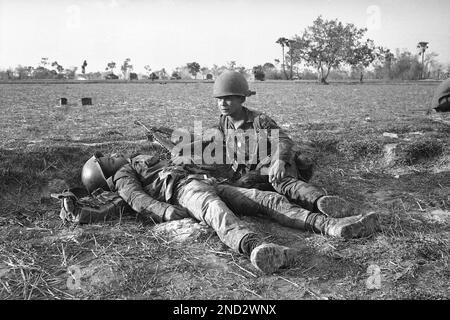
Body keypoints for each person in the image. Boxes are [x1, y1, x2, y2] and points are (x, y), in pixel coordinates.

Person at [80, 150, 379, 274]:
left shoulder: (141, 159)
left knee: (264, 199)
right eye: (104, 159)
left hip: (208, 182)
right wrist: (166, 211)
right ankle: (255, 247)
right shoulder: (123, 176)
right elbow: (136, 199)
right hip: (186, 192)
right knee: (216, 210)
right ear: (105, 172)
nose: (110, 155)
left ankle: (332, 226)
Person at [174, 70, 355, 217]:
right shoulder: (224, 122)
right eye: (219, 99)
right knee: (241, 188)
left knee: (280, 181)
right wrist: (183, 149)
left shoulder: (260, 121)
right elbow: (208, 140)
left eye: (228, 98)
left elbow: (283, 140)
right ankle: (291, 207)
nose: (223, 103)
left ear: (242, 99)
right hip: (253, 174)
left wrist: (279, 161)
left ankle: (322, 202)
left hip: (276, 167)